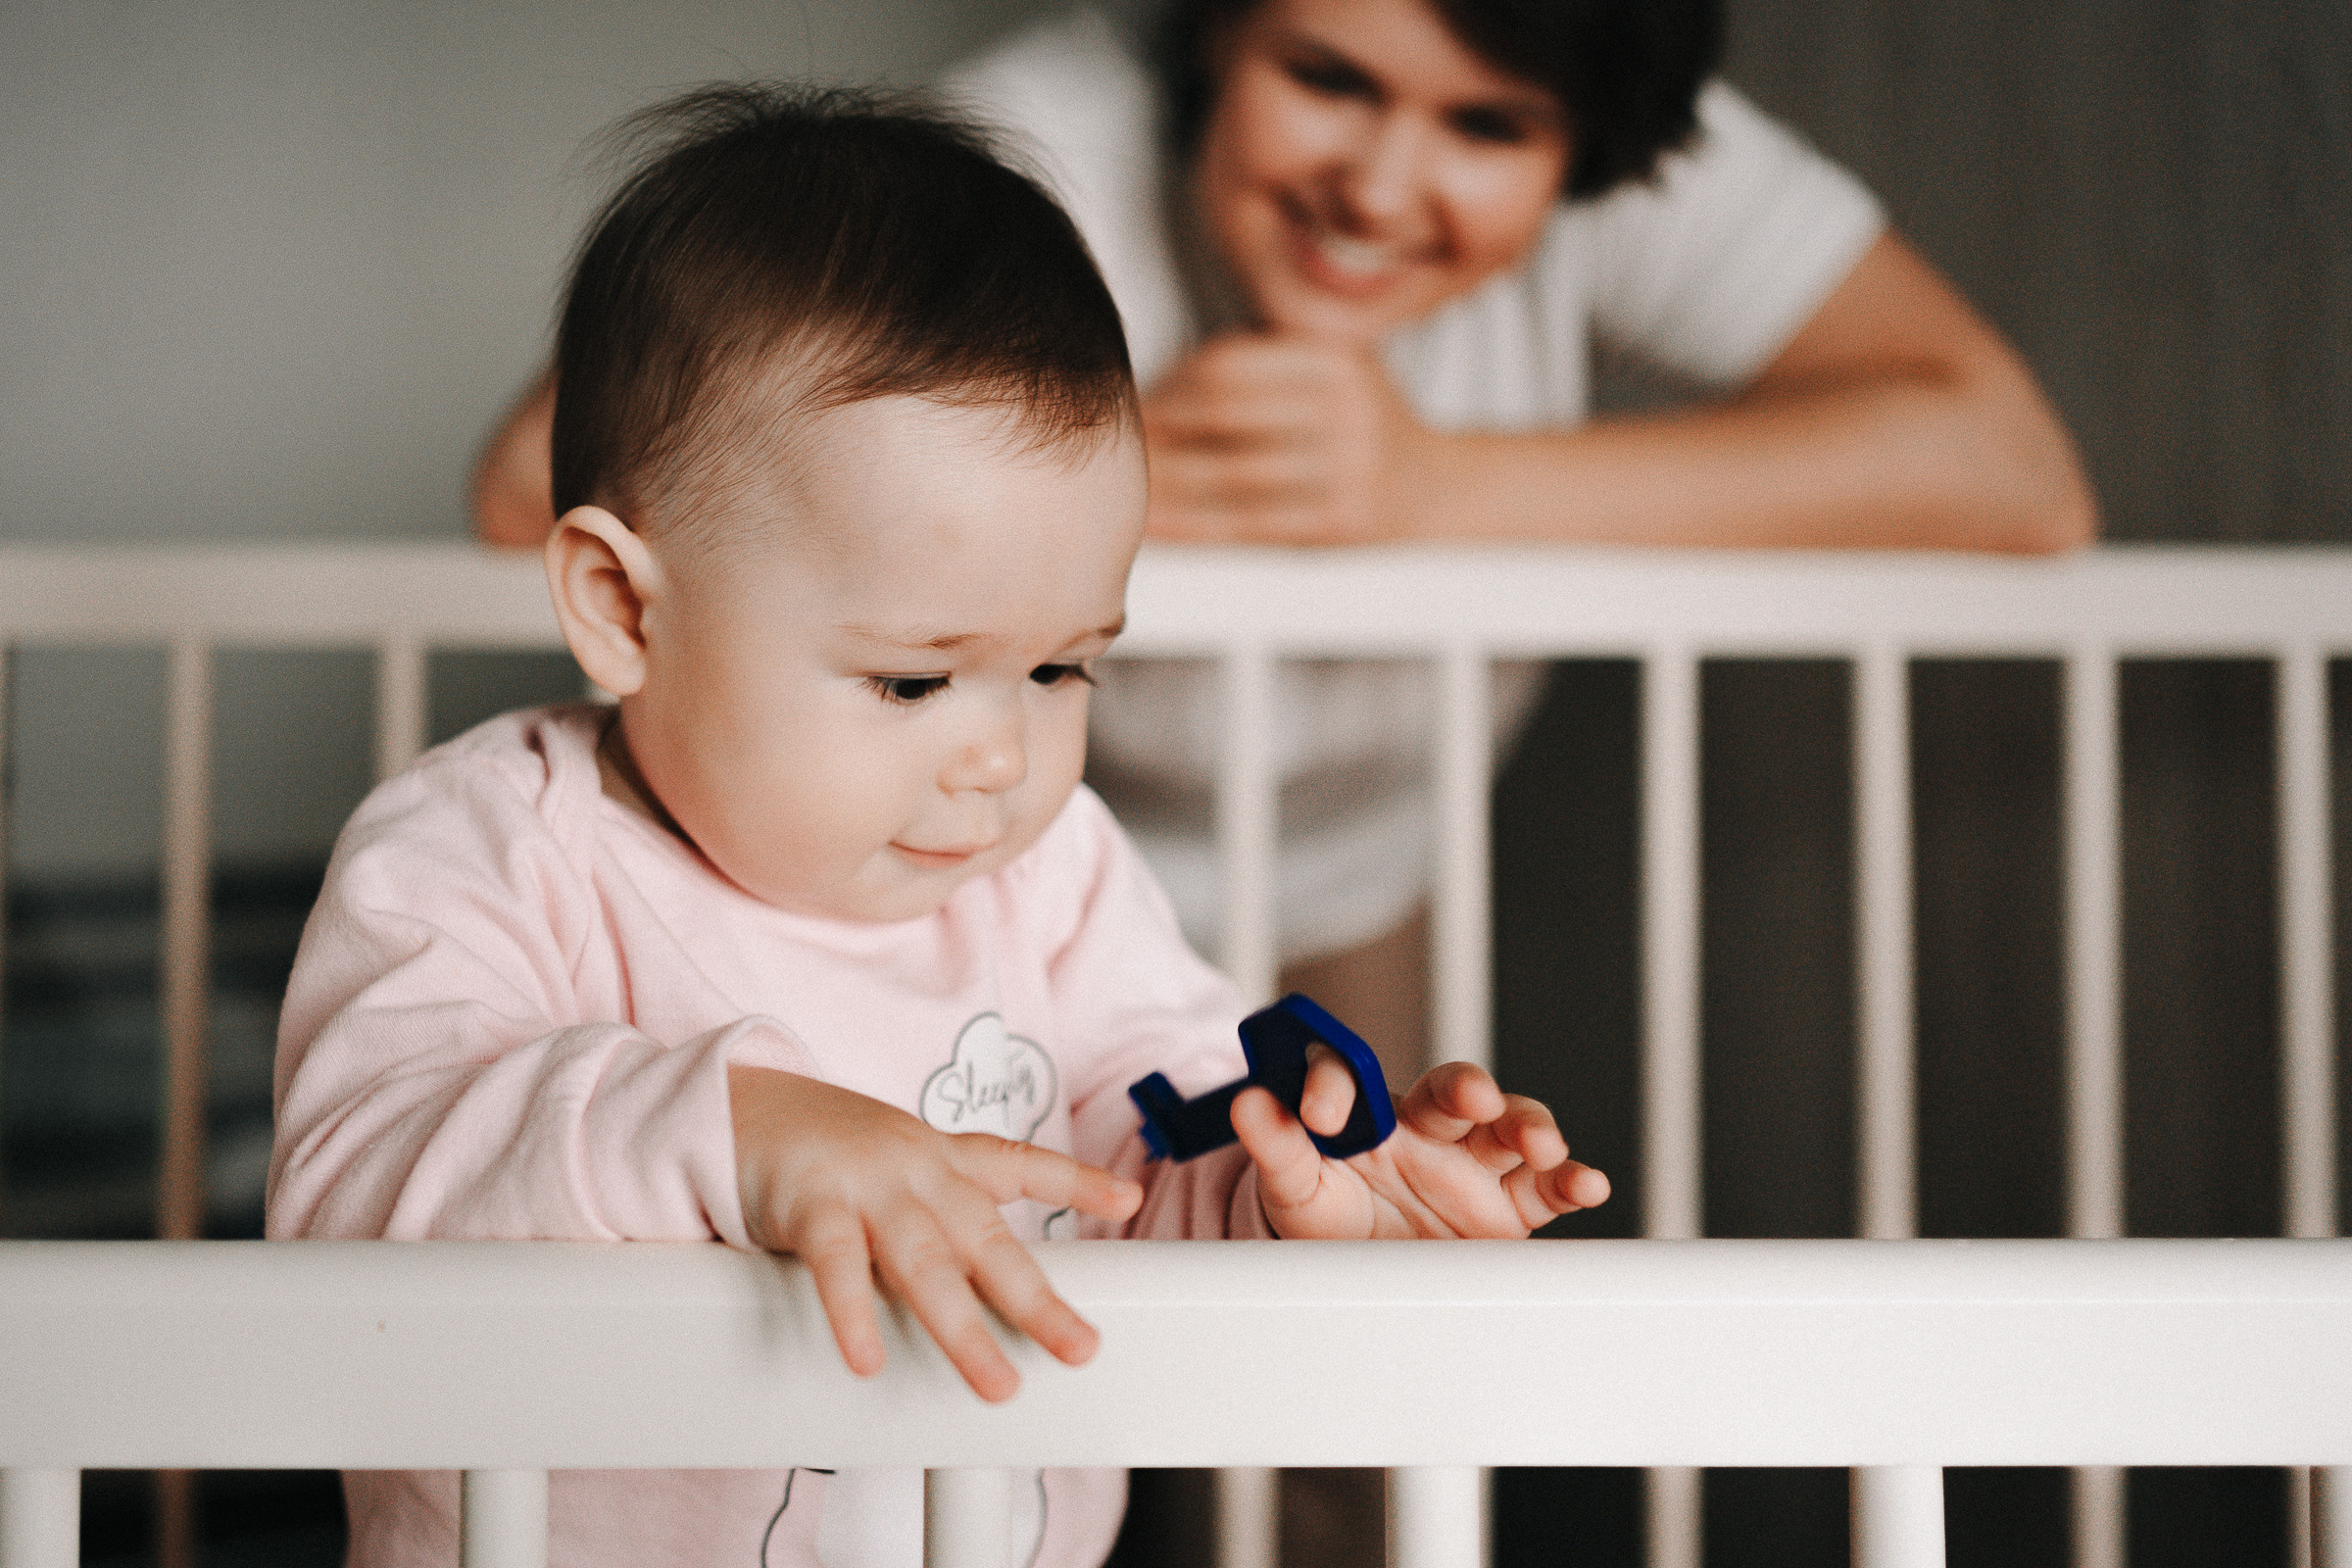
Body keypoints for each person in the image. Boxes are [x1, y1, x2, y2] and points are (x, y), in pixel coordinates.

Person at [271, 85, 1608, 1568]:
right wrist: (730, 1127)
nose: (1000, 756)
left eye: (1060, 667)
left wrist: (1302, 1194)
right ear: (621, 607)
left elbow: (1141, 1174)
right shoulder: (488, 850)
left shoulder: (1057, 882)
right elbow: (356, 1187)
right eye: (913, 677)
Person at [468, 0, 2096, 1086]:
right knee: (982, 1306)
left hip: (1363, 855)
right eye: (1326, 79)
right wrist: (1084, 478)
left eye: (1487, 129)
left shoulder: (1612, 110)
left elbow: (2013, 474)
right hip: (979, 862)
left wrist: (1435, 489)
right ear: (1210, 41)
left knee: (1339, 1357)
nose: (1383, 185)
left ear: (1578, 153)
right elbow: (531, 473)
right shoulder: (1035, 146)